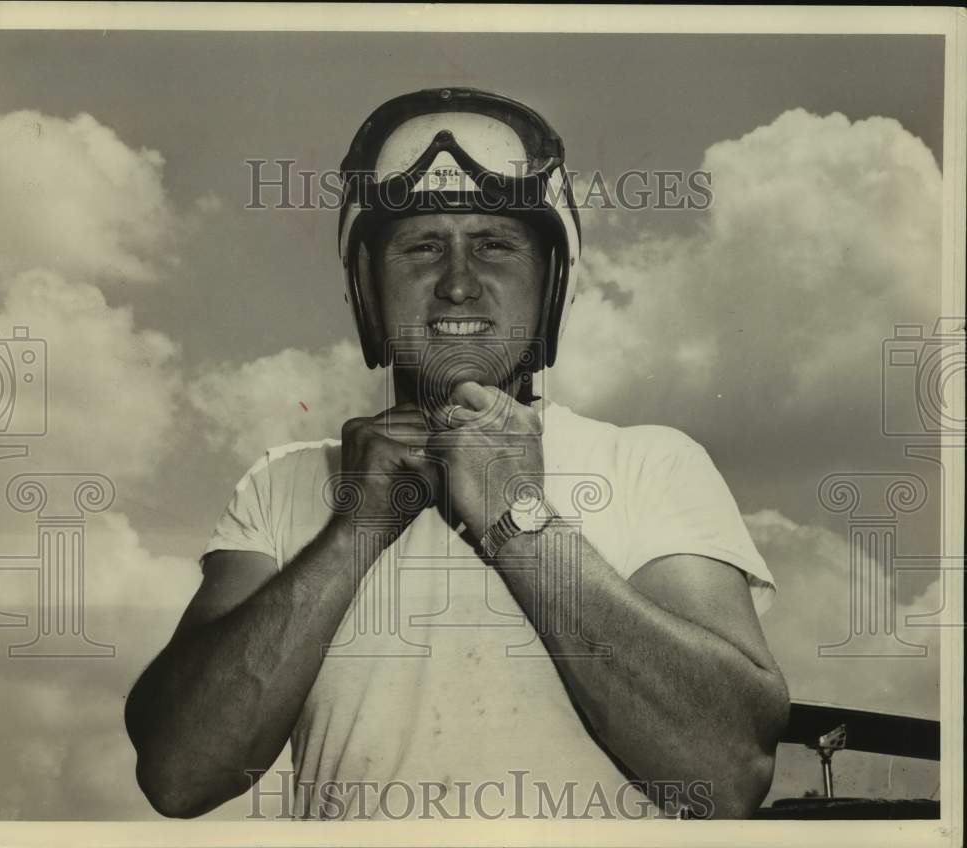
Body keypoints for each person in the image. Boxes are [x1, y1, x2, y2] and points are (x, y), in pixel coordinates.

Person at [125, 87, 790, 821]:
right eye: (422, 246)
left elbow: (728, 771)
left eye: (496, 244)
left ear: (550, 281)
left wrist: (519, 520)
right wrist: (354, 532)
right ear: (368, 291)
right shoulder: (283, 483)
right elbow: (179, 773)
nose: (459, 283)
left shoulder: (653, 464)